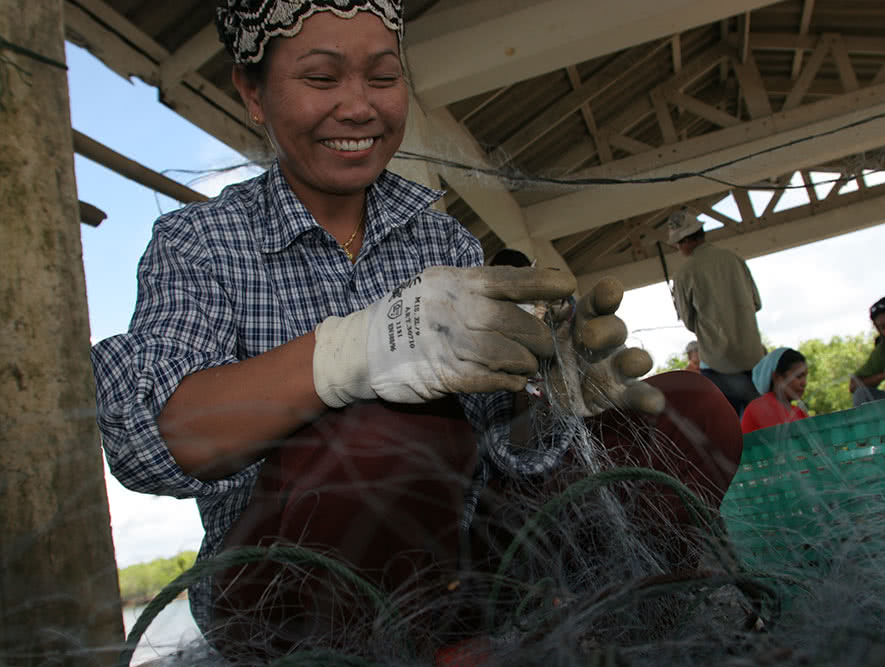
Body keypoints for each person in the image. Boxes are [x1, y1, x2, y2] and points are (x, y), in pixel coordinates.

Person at [90, 1, 743, 659]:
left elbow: (499, 448)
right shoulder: (198, 245)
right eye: (321, 78)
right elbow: (155, 440)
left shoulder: (444, 238)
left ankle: (601, 630)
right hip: (293, 596)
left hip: (464, 560)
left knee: (690, 411)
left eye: (382, 77)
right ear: (251, 93)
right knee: (384, 434)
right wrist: (358, 349)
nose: (359, 107)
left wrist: (549, 397)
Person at [667, 208, 767, 416]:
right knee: (762, 425)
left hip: (717, 364)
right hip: (753, 359)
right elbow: (756, 303)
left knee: (731, 430)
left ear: (683, 242)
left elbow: (689, 322)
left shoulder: (684, 274)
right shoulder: (734, 259)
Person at [741, 348, 809, 434]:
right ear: (777, 377)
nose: (804, 383)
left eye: (805, 377)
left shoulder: (798, 412)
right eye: (798, 376)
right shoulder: (762, 407)